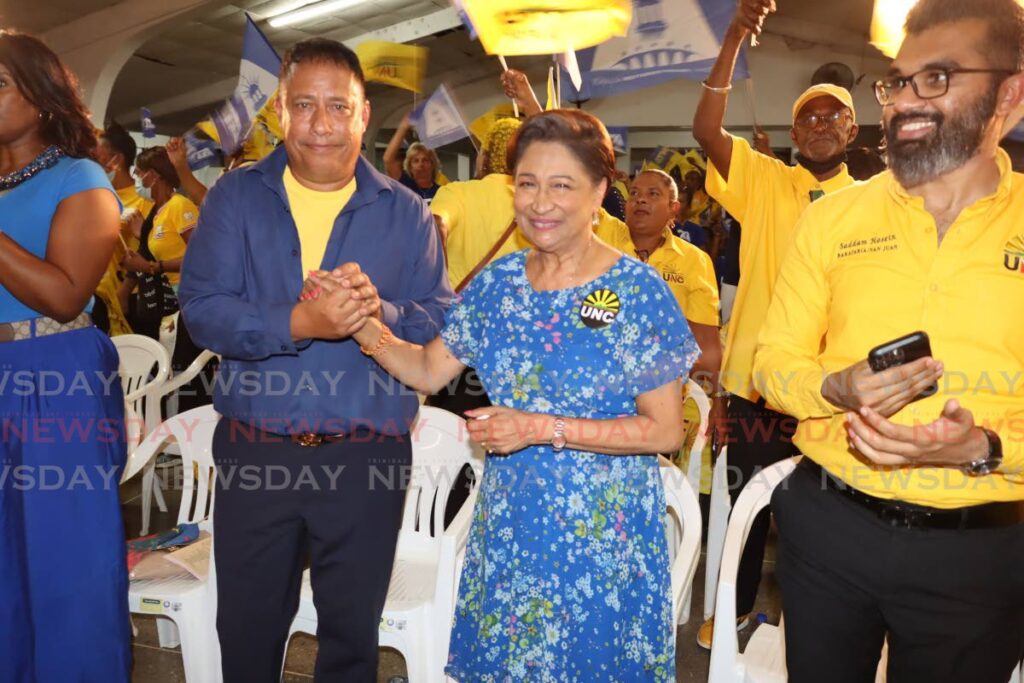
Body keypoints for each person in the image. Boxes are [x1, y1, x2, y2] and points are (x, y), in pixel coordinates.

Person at [337, 109, 698, 682]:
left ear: (601, 191)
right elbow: (429, 369)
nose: (540, 202)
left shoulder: (637, 292)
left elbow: (664, 430)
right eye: (527, 184)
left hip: (602, 541)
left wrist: (539, 427)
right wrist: (364, 326)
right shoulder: (500, 284)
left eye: (562, 185)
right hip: (512, 530)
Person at [754, 1, 1024, 680]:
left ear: (1010, 93)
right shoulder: (834, 218)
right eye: (897, 81)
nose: (904, 101)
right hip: (827, 527)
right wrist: (829, 386)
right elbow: (772, 358)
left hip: (978, 549)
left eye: (936, 78)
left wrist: (986, 447)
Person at [178, 38, 451, 682]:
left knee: (352, 635)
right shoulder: (236, 199)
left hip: (366, 453)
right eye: (304, 106)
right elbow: (203, 310)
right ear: (280, 110)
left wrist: (372, 312)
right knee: (247, 626)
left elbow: (437, 319)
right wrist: (301, 321)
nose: (322, 124)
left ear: (363, 115)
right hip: (257, 448)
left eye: (338, 106)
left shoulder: (407, 213)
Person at [691, 0, 861, 648]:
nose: (819, 124)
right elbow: (708, 130)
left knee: (820, 525)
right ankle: (731, 618)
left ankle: (813, 635)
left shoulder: (870, 203)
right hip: (757, 387)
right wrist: (734, 36)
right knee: (743, 511)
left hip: (831, 397)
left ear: (850, 131)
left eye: (832, 116)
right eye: (807, 117)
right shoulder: (765, 181)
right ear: (795, 134)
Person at [0, 30, 130, 682]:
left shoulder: (81, 178)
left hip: (55, 374)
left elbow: (63, 292)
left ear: (41, 94)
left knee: (64, 556)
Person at [93, 121, 153, 335]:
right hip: (98, 297)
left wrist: (126, 290)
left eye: (95, 157)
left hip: (130, 297)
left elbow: (149, 251)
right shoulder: (95, 197)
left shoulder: (142, 201)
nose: (90, 163)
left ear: (116, 161)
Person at [383, 113, 442, 203]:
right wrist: (403, 127)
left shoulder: (441, 192)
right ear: (410, 167)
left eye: (425, 160)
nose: (421, 164)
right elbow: (388, 160)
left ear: (432, 164)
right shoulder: (404, 185)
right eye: (416, 161)